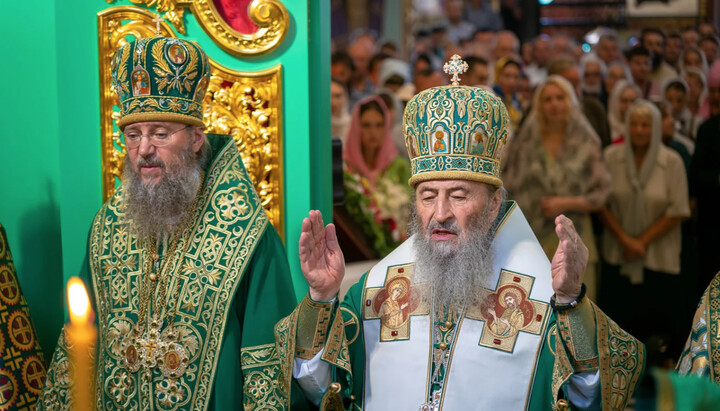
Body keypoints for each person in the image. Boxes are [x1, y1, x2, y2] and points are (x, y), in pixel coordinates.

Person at [277, 58, 644, 409]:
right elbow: (321, 388)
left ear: (494, 202)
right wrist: (322, 299)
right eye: (427, 196)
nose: (440, 214)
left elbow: (591, 398)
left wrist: (570, 303)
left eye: (458, 195)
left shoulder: (543, 298)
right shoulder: (376, 292)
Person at [38, 36, 302, 410]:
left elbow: (268, 364)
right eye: (133, 135)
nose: (144, 149)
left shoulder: (245, 231)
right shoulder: (108, 226)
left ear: (196, 138)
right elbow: (79, 348)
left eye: (160, 134)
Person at [503, 75, 611, 301]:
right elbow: (508, 185)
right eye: (547, 99)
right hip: (532, 235)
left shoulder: (587, 140)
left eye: (560, 97)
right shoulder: (525, 141)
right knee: (535, 306)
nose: (554, 104)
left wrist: (566, 203)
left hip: (575, 234)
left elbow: (601, 193)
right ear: (539, 105)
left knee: (577, 304)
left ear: (570, 101)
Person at [599, 100, 690, 361]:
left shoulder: (671, 161)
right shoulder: (610, 157)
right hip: (620, 254)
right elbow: (601, 203)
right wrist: (626, 240)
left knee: (656, 329)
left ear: (657, 128)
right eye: (635, 125)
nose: (639, 130)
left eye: (646, 125)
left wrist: (640, 242)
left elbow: (678, 209)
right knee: (620, 326)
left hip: (657, 258)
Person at [342, 96, 411, 258]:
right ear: (356, 128)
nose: (373, 132)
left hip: (398, 250)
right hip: (358, 252)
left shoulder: (399, 166)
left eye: (379, 125)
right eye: (366, 125)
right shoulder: (347, 170)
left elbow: (412, 210)